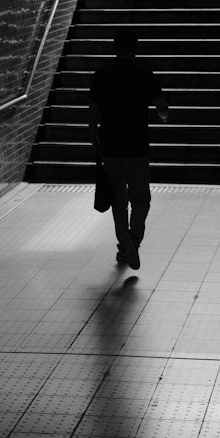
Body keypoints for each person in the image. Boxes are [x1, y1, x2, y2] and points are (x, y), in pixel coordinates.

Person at [88, 28, 169, 270]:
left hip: (110, 146)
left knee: (118, 199)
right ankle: (133, 239)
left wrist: (93, 139)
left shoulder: (101, 75)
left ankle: (124, 244)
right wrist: (163, 114)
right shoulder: (145, 75)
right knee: (141, 198)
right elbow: (162, 108)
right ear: (135, 48)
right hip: (137, 146)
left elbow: (93, 111)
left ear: (115, 47)